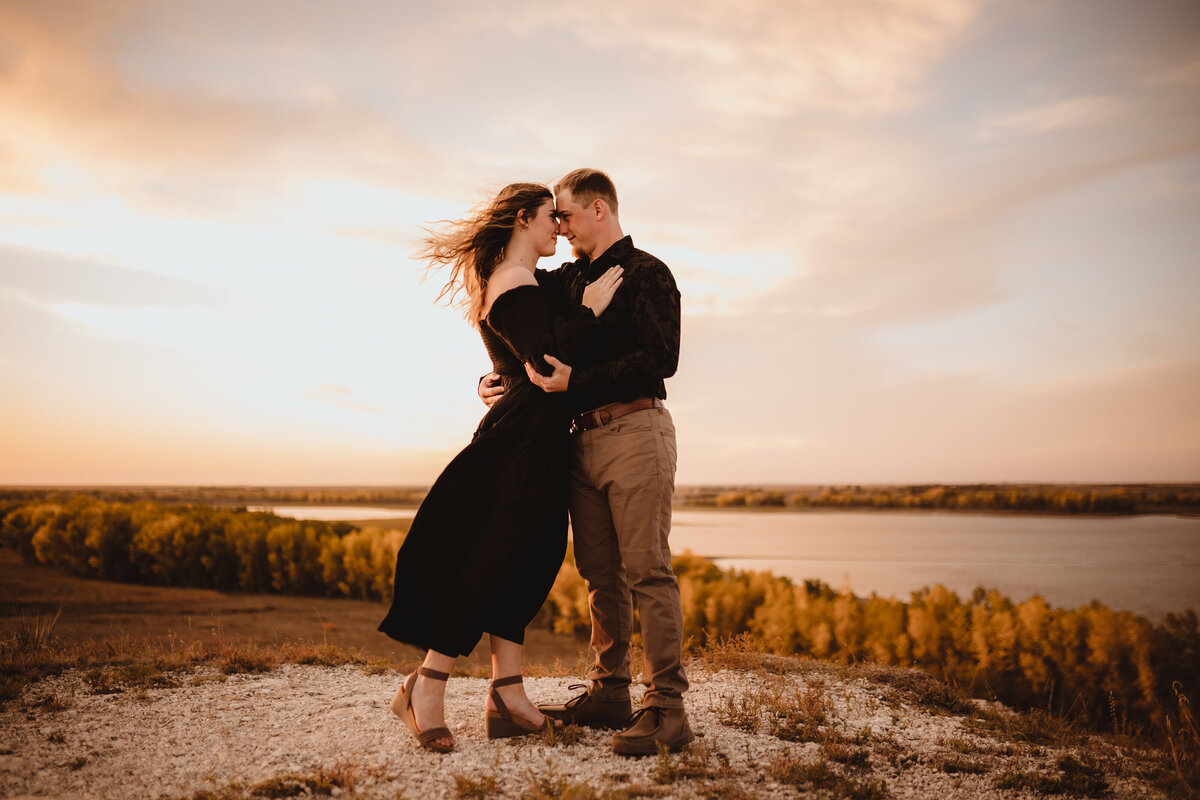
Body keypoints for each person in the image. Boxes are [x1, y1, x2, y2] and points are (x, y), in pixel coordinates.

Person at [379, 182, 623, 753]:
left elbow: (515, 366)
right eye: (549, 218)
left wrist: (497, 381)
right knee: (492, 565)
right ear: (522, 219)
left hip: (539, 441)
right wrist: (588, 313)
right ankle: (426, 687)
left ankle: (507, 695)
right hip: (519, 446)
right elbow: (545, 364)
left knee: (526, 564)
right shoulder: (512, 283)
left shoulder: (528, 284)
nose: (558, 229)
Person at [479, 168, 691, 756]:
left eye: (566, 215)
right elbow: (511, 310)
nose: (561, 226)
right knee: (601, 576)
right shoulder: (567, 280)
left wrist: (581, 379)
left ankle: (668, 707)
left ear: (599, 209)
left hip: (636, 429)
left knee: (647, 569)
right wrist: (495, 374)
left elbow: (661, 359)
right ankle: (610, 692)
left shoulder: (649, 273)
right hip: (580, 439)